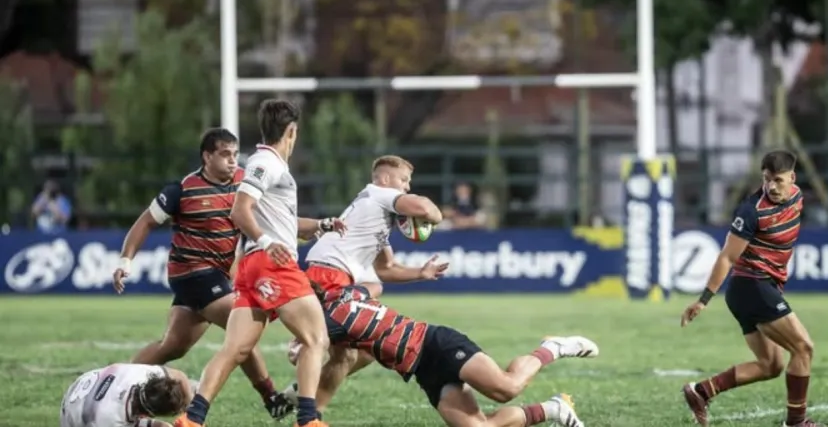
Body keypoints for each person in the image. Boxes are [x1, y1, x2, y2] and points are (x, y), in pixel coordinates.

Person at [113, 128, 298, 419]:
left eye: (236, 154)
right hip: (192, 274)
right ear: (207, 156)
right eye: (225, 154)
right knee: (241, 330)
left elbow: (275, 219)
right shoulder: (183, 189)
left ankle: (117, 384)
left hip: (216, 277)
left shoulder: (243, 184)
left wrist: (316, 227)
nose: (233, 161)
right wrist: (125, 260)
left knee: (172, 347)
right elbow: (146, 222)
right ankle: (271, 397)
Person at [175, 99, 336, 427]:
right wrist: (266, 241)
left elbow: (282, 223)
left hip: (253, 267)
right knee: (317, 339)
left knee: (234, 349)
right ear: (291, 131)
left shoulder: (270, 163)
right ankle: (308, 420)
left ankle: (192, 420)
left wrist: (321, 225)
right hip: (272, 265)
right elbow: (240, 209)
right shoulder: (266, 162)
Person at [297, 282, 593, 427]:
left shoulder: (331, 319)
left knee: (507, 388)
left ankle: (551, 348)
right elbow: (373, 285)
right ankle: (554, 409)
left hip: (436, 344)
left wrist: (297, 344)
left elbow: (313, 341)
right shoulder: (352, 293)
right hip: (423, 370)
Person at [680, 150, 821, 427]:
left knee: (771, 365)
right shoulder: (751, 210)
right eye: (767, 180)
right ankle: (796, 423)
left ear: (792, 178)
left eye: (778, 180)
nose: (771, 186)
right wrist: (703, 299)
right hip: (751, 286)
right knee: (803, 348)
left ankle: (702, 391)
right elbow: (727, 257)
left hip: (761, 287)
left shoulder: (797, 196)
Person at [298, 154, 446, 414]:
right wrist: (437, 216)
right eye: (404, 180)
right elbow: (426, 210)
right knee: (330, 345)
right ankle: (301, 348)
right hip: (329, 275)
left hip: (335, 275)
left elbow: (386, 269)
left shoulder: (376, 214)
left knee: (359, 353)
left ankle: (308, 404)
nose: (407, 187)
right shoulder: (378, 193)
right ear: (386, 179)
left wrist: (421, 273)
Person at [60, 363, 193, 427]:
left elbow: (179, 376)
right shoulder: (110, 420)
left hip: (83, 387)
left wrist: (192, 415)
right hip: (74, 419)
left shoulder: (140, 375)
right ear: (150, 414)